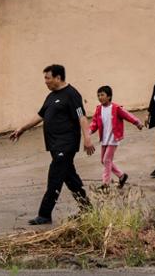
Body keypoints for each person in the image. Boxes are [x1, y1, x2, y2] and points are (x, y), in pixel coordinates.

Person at [10, 64, 95, 225]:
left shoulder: (72, 94)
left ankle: (44, 214)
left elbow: (81, 116)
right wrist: (22, 129)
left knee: (55, 176)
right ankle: (88, 209)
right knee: (70, 177)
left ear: (58, 77)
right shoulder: (51, 96)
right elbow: (40, 115)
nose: (45, 81)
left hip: (66, 144)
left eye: (48, 78)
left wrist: (87, 138)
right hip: (54, 145)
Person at [89, 85, 143, 190]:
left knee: (106, 160)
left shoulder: (116, 108)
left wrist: (137, 122)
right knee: (103, 160)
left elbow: (127, 115)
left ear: (109, 96)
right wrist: (89, 132)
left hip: (113, 139)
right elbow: (94, 123)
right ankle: (122, 176)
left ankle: (105, 184)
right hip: (104, 139)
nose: (100, 97)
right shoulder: (99, 109)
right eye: (98, 95)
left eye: (102, 95)